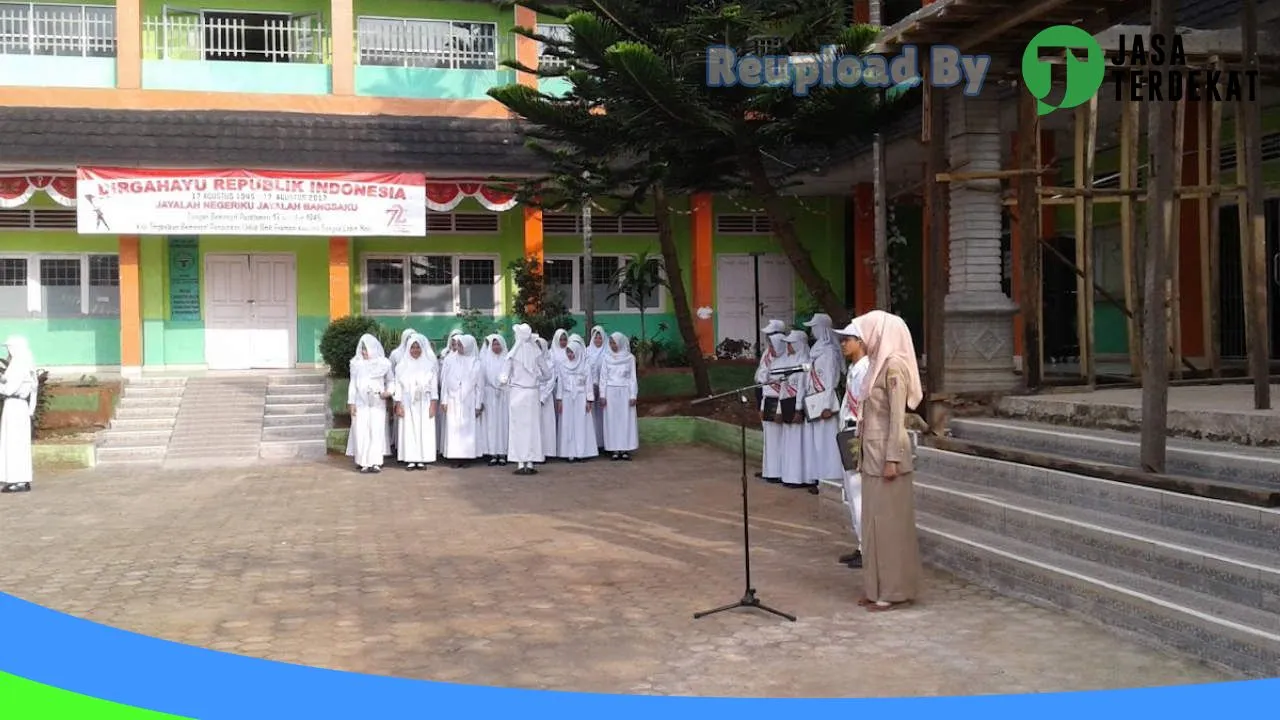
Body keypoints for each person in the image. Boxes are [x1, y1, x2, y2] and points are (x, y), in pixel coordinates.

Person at [850, 309, 923, 612]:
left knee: (890, 527)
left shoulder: (894, 367)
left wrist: (892, 458)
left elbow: (897, 419)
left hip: (887, 458)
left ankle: (892, 591)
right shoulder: (876, 366)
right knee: (871, 525)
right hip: (872, 456)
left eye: (866, 332)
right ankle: (874, 587)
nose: (862, 339)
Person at [833, 319, 871, 570]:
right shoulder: (855, 368)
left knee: (859, 496)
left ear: (861, 342)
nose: (843, 344)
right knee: (852, 495)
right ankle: (861, 545)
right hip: (847, 431)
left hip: (858, 433)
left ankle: (868, 548)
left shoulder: (867, 369)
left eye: (847, 339)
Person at [803, 313, 847, 491]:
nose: (812, 330)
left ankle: (829, 476)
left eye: (815, 327)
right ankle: (818, 476)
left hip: (825, 400)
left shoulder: (829, 352)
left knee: (826, 441)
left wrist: (827, 406)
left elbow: (829, 381)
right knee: (816, 441)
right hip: (814, 399)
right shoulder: (817, 350)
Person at [502, 324, 550, 475]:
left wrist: (509, 382)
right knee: (532, 429)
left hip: (517, 393)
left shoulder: (512, 354)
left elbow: (503, 376)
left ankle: (519, 462)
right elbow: (547, 375)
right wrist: (537, 378)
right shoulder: (536, 354)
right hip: (531, 394)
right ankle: (530, 462)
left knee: (518, 429)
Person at [346, 334, 393, 473]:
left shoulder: (383, 363)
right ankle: (363, 461)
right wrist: (351, 402)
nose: (363, 352)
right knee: (361, 431)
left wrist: (388, 392)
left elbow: (391, 380)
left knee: (376, 430)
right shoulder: (356, 364)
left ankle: (376, 461)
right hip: (361, 403)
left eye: (366, 349)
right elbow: (353, 384)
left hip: (377, 402)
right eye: (362, 349)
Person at [393, 334, 438, 470]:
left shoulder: (429, 365)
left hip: (424, 401)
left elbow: (434, 386)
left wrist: (433, 404)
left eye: (418, 347)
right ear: (408, 349)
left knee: (424, 429)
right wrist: (398, 404)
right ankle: (411, 459)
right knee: (409, 429)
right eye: (412, 347)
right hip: (407, 402)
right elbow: (398, 386)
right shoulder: (401, 366)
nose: (415, 350)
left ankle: (422, 459)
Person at [440, 334, 484, 469]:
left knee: (467, 430)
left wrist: (478, 405)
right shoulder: (449, 360)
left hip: (469, 401)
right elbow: (445, 382)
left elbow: (479, 386)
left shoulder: (476, 362)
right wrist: (444, 400)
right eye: (457, 345)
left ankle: (466, 457)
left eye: (461, 345)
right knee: (454, 428)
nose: (458, 348)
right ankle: (455, 457)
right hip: (453, 399)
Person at [1, 336, 38, 494]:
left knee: (14, 442)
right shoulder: (25, 364)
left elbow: (9, 389)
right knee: (17, 442)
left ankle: (17, 479)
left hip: (14, 405)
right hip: (20, 406)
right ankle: (19, 478)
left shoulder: (19, 365)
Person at [774, 330, 810, 490]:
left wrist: (798, 409)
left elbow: (802, 388)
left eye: (790, 343)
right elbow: (783, 385)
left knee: (799, 442)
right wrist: (780, 409)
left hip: (797, 405)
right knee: (788, 441)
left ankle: (800, 477)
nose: (787, 346)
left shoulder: (805, 362)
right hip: (786, 403)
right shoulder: (788, 361)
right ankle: (789, 475)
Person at [754, 319, 788, 483]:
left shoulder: (785, 356)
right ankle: (769, 469)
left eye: (771, 335)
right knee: (768, 435)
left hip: (776, 398)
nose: (768, 338)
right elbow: (761, 374)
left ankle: (778, 471)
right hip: (764, 395)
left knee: (777, 436)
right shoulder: (767, 352)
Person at [557, 337, 598, 462]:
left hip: (581, 398)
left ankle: (581, 452)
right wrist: (559, 399)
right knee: (568, 424)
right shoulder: (563, 365)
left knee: (581, 424)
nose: (570, 355)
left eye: (572, 352)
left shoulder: (584, 365)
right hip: (567, 398)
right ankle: (569, 452)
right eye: (568, 352)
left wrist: (589, 400)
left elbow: (588, 383)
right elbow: (560, 383)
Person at [599, 332, 639, 460]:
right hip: (611, 392)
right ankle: (614, 449)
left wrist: (633, 395)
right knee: (612, 420)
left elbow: (633, 377)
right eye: (610, 343)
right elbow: (603, 377)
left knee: (625, 420)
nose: (612, 345)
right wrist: (602, 395)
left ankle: (625, 448)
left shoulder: (630, 358)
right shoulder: (606, 357)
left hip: (625, 392)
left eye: (614, 343)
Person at [479, 333, 510, 466]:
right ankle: (493, 453)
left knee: (503, 423)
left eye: (498, 344)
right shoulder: (485, 360)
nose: (496, 347)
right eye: (494, 344)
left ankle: (503, 453)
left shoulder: (507, 359)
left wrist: (501, 385)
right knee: (491, 424)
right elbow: (483, 378)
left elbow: (509, 375)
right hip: (490, 395)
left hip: (504, 394)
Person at [387, 328, 418, 458]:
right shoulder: (396, 354)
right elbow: (391, 371)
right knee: (399, 420)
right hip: (399, 390)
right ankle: (398, 446)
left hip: (414, 393)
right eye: (408, 337)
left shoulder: (419, 355)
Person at [534, 335, 559, 461]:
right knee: (536, 426)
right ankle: (536, 452)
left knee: (546, 425)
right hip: (533, 398)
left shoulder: (550, 362)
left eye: (540, 347)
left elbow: (551, 381)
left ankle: (547, 451)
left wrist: (543, 398)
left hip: (546, 400)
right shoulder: (532, 362)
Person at [585, 325, 609, 449]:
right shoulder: (587, 351)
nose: (598, 340)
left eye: (600, 338)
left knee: (603, 415)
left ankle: (604, 442)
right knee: (592, 415)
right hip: (591, 387)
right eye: (596, 338)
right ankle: (593, 442)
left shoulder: (608, 352)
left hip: (604, 388)